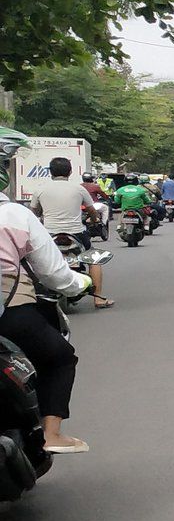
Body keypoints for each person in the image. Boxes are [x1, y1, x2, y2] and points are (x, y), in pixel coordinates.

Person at [0, 132, 93, 453]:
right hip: (11, 312)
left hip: (55, 231)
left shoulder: (35, 198)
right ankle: (51, 435)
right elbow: (53, 274)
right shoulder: (14, 214)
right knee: (59, 358)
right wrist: (80, 285)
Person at [29, 157, 108, 309]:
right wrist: (95, 220)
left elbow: (34, 213)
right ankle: (98, 299)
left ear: (50, 172)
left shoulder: (40, 189)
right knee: (94, 259)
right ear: (70, 172)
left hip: (49, 235)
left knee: (32, 261)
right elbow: (91, 210)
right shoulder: (78, 189)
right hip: (76, 234)